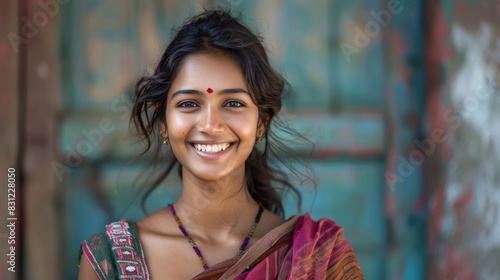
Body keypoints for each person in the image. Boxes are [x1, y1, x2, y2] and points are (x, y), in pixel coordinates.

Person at [77, 9, 364, 280]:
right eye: (189, 103)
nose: (210, 125)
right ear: (163, 121)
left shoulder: (318, 259)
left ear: (261, 122)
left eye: (233, 103)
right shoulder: (109, 262)